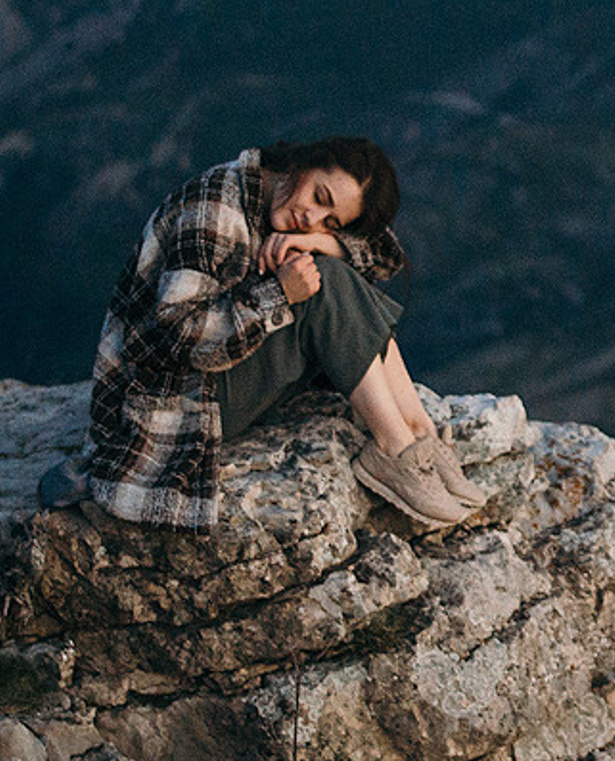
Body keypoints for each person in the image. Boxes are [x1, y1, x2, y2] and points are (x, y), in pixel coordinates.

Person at [82, 137, 483, 532]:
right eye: (319, 196)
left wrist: (318, 242)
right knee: (325, 281)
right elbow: (177, 333)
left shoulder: (284, 205)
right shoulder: (217, 206)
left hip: (218, 377)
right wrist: (279, 294)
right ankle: (395, 450)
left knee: (333, 273)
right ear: (303, 163)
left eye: (331, 221)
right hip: (170, 402)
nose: (310, 217)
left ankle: (420, 435)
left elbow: (383, 256)